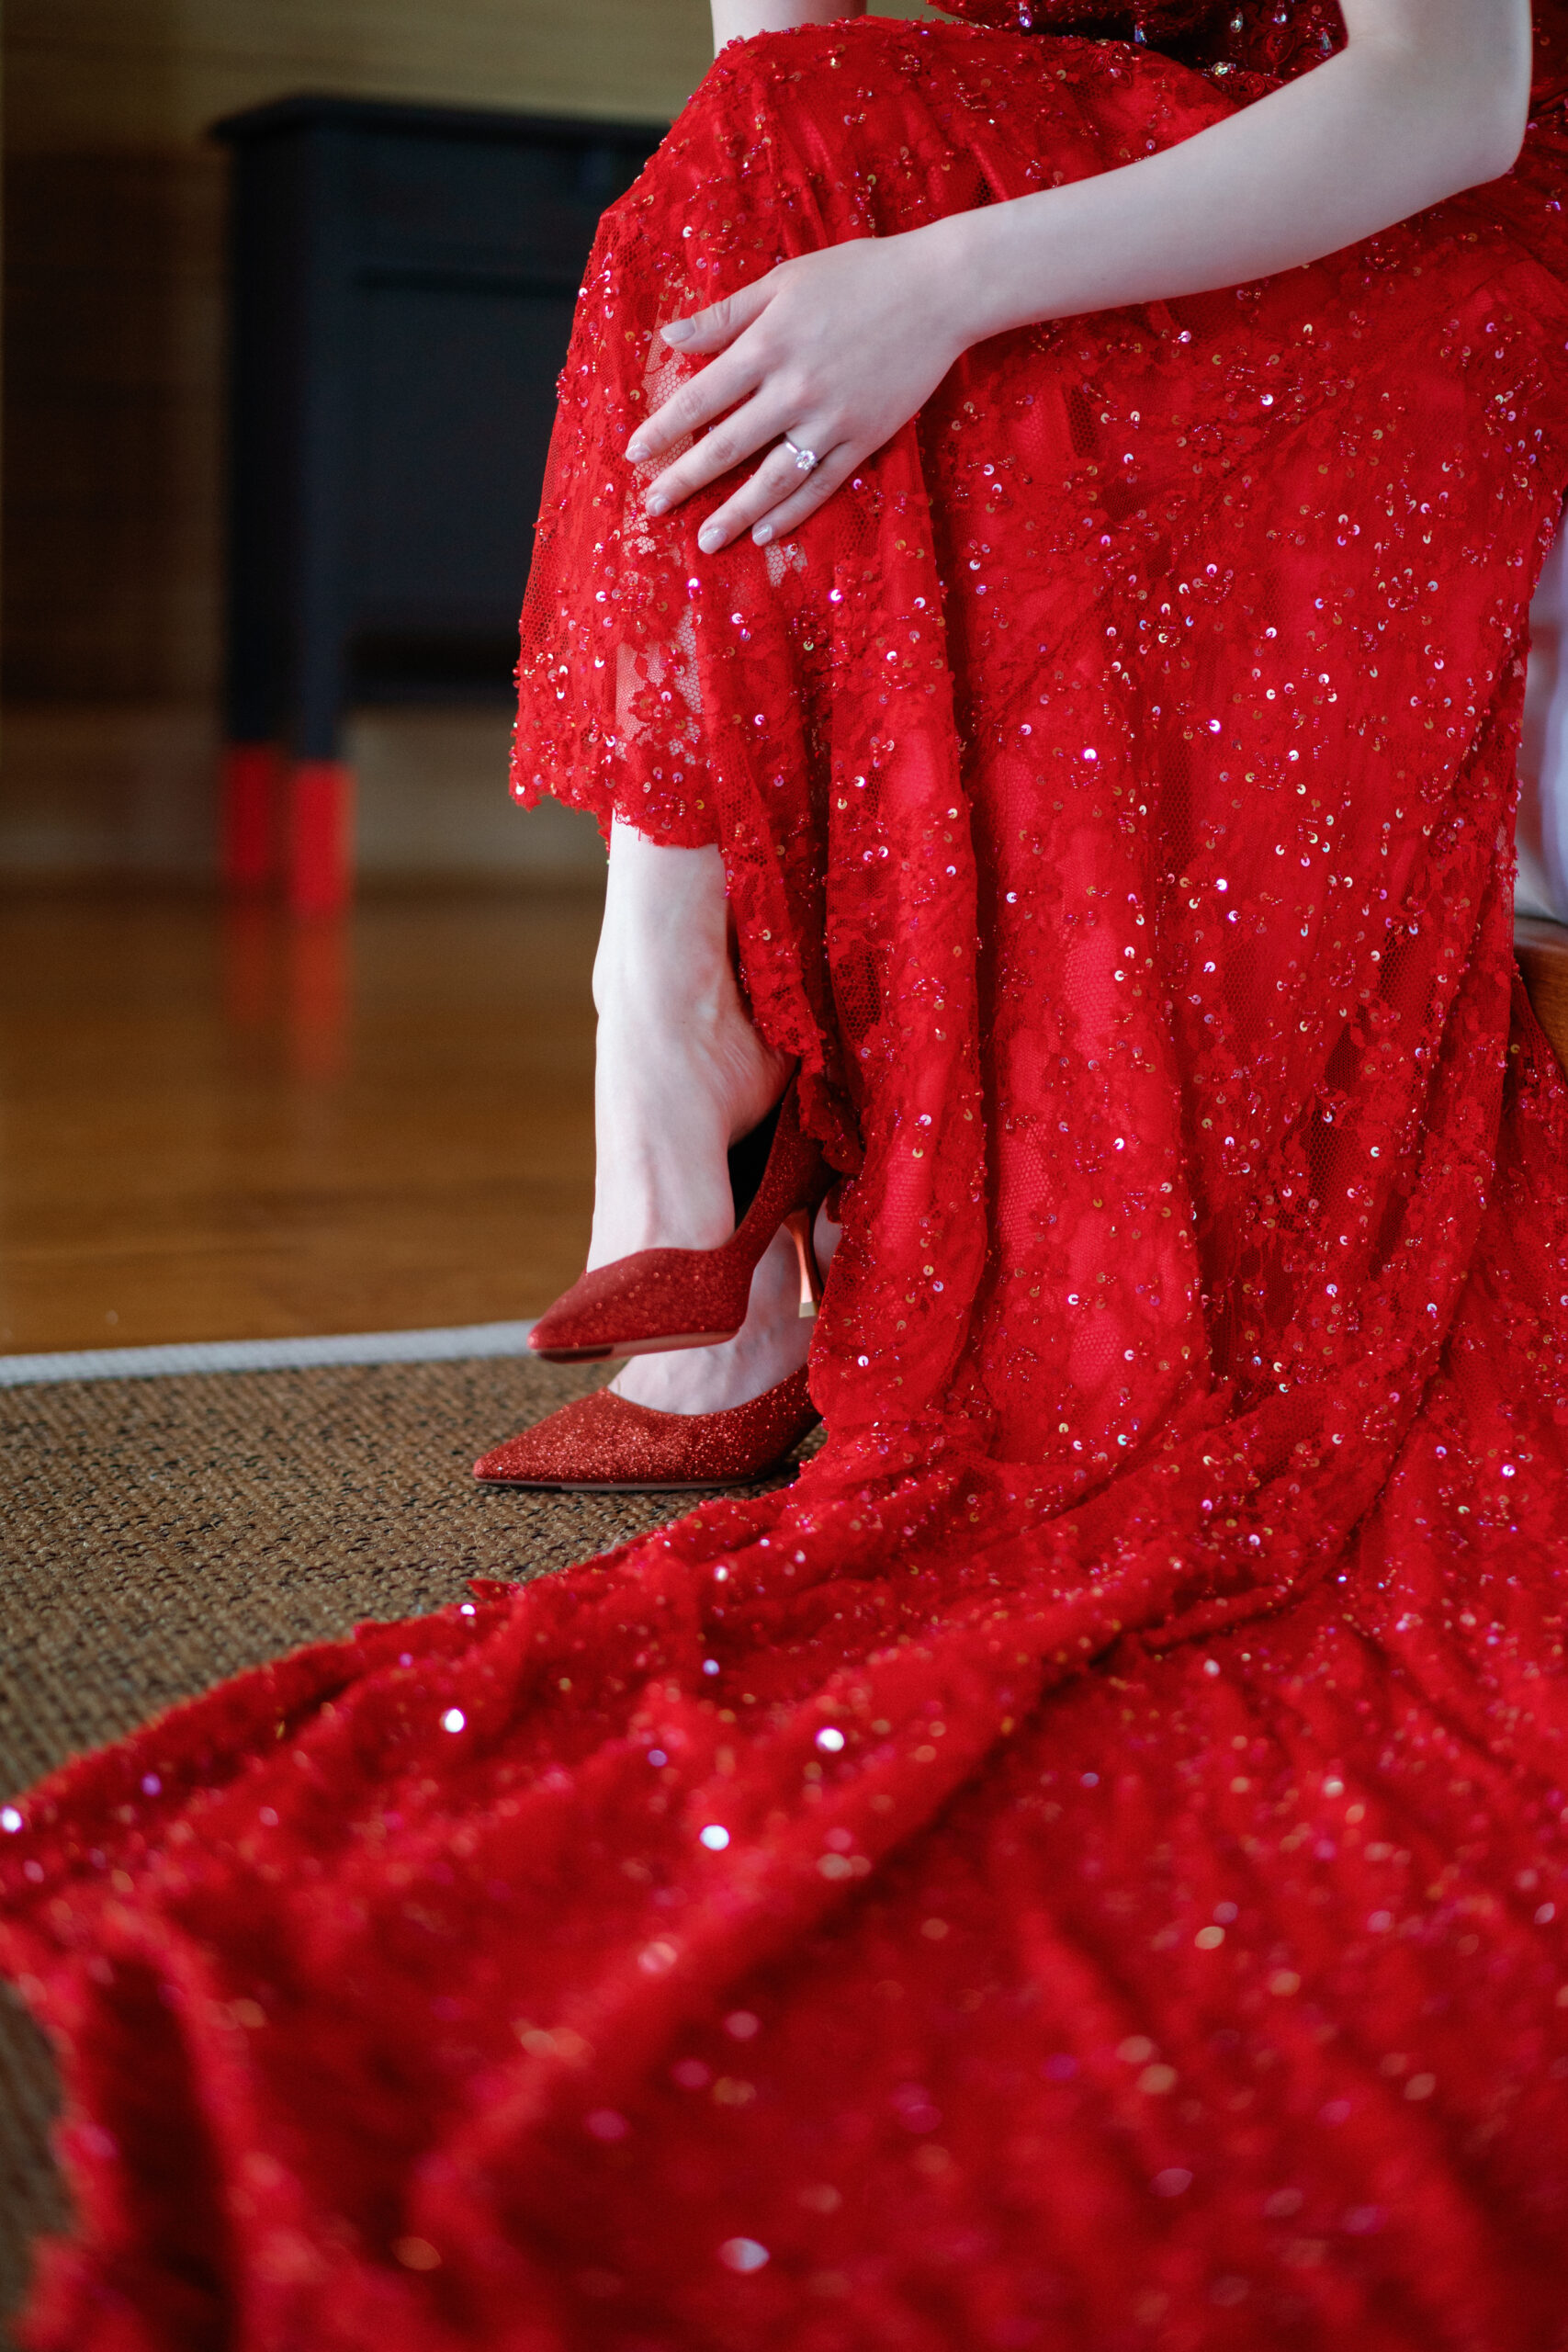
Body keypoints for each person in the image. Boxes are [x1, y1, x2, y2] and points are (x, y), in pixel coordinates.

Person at [6, 3, 1568, 2344]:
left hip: (1405, 219)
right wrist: (885, 271)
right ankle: (665, 1004)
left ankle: (679, 1094)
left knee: (810, 180)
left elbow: (1449, 98)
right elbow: (782, 67)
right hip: (1076, 176)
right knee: (772, 146)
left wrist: (934, 285)